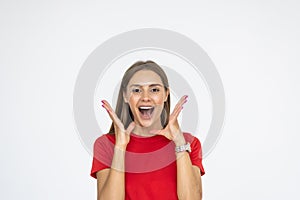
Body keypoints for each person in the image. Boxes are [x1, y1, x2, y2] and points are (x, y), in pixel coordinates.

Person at [90, 60, 205, 200]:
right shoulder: (106, 144)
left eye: (154, 90)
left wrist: (179, 143)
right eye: (137, 90)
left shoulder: (188, 143)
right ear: (125, 96)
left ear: (166, 94)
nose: (145, 97)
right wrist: (120, 147)